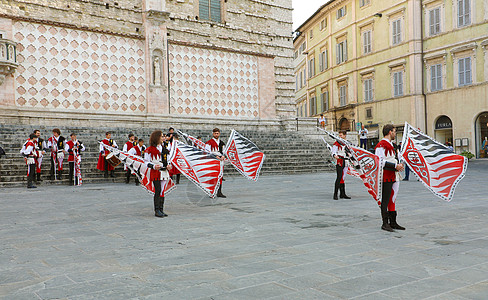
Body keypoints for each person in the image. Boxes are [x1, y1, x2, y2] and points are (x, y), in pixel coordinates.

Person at [375, 124, 405, 232]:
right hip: (386, 175)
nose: (395, 133)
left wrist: (400, 164)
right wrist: (394, 166)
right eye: (394, 131)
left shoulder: (393, 145)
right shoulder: (381, 145)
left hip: (395, 174)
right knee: (386, 199)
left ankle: (393, 222)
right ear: (389, 132)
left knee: (393, 198)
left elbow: (397, 157)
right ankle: (385, 223)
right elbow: (379, 161)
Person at [144, 130, 171, 217]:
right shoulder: (149, 150)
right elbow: (146, 162)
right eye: (162, 136)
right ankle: (156, 210)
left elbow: (168, 160)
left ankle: (161, 209)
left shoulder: (164, 149)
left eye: (163, 136)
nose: (163, 138)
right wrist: (153, 166)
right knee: (158, 190)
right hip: (156, 172)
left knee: (162, 191)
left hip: (164, 172)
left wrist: (169, 165)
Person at [206, 128, 226, 198]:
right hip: (213, 161)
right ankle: (211, 192)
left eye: (217, 133)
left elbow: (224, 151)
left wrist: (223, 156)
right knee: (212, 177)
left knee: (220, 177)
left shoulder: (222, 143)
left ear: (219, 134)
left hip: (220, 162)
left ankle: (219, 192)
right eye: (215, 133)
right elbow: (207, 152)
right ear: (213, 134)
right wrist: (216, 156)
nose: (216, 135)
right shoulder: (209, 143)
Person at [331, 130, 350, 200]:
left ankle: (343, 193)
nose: (340, 136)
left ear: (345, 135)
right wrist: (334, 155)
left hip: (346, 161)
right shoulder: (337, 143)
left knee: (343, 177)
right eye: (339, 135)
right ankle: (335, 194)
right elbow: (333, 151)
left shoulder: (347, 143)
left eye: (341, 135)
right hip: (340, 160)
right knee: (339, 177)